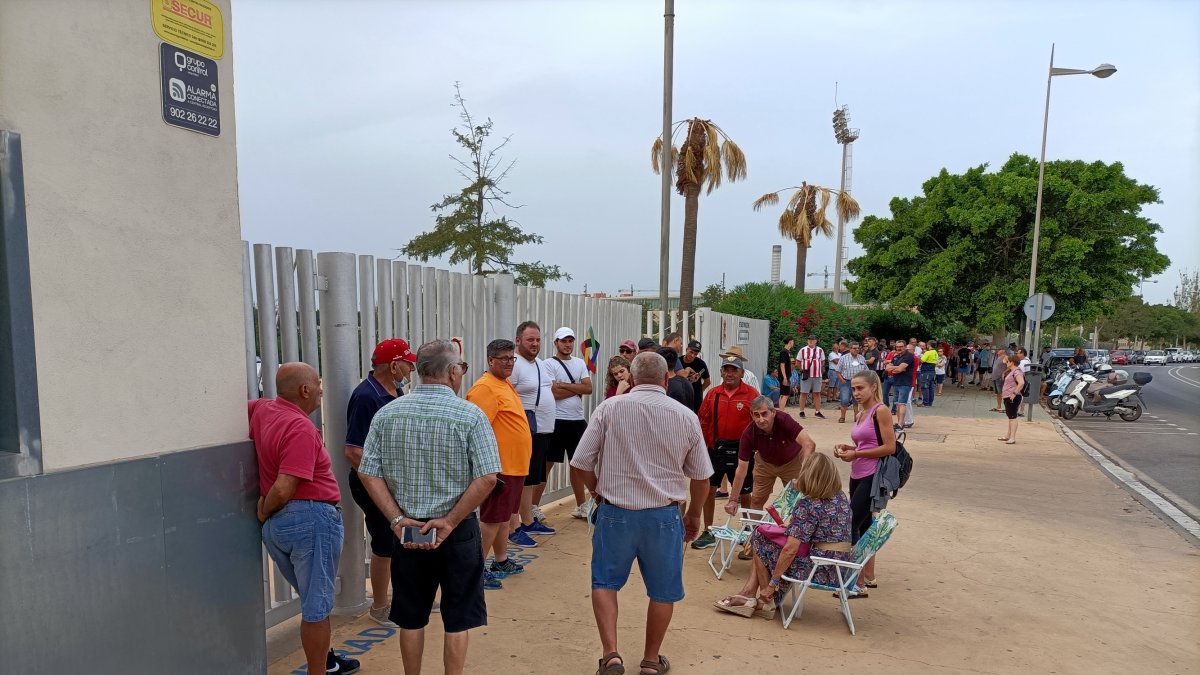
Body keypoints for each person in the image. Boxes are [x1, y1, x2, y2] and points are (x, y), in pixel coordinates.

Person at [357, 340, 501, 675]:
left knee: (411, 617)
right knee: (458, 618)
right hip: (457, 530)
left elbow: (368, 471)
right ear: (452, 371)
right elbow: (487, 478)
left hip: (408, 529)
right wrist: (450, 520)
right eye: (461, 368)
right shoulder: (470, 415)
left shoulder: (387, 413)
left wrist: (395, 517)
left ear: (420, 371)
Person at [570, 352, 712, 675]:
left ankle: (611, 655)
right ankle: (650, 661)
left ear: (630, 380)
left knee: (604, 582)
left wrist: (596, 491)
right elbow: (702, 477)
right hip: (663, 517)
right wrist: (692, 517)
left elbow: (579, 463)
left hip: (615, 513)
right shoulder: (685, 416)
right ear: (667, 380)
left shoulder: (609, 409)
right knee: (663, 590)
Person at [251, 363, 360, 675]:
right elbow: (284, 488)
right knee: (316, 607)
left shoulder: (263, 410)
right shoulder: (300, 428)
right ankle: (319, 670)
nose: (321, 390)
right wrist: (265, 508)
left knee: (315, 598)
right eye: (318, 384)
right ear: (304, 390)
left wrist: (269, 513)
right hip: (310, 521)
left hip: (283, 528)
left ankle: (327, 660)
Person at [713, 452, 854, 618]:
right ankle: (750, 594)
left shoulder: (808, 504)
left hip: (819, 568)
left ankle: (765, 599)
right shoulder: (840, 497)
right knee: (765, 540)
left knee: (759, 537)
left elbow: (790, 550)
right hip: (840, 566)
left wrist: (773, 583)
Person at [345, 338, 417, 628]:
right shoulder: (366, 396)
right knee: (385, 543)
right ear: (393, 365)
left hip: (392, 482)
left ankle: (407, 596)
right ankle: (380, 607)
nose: (411, 369)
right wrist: (379, 482)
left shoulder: (395, 389)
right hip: (372, 485)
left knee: (405, 539)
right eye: (407, 364)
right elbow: (353, 450)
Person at [466, 339, 533, 590]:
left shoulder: (503, 384)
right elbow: (475, 428)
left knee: (504, 517)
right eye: (503, 358)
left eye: (511, 358)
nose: (509, 363)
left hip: (514, 465)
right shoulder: (485, 388)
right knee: (492, 519)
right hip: (500, 467)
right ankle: (476, 569)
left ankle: (501, 560)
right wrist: (486, 467)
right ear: (490, 360)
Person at [832, 370, 897, 590]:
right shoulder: (861, 412)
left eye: (860, 388)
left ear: (873, 387)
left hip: (872, 475)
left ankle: (854, 580)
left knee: (851, 522)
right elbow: (865, 444)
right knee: (865, 524)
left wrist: (857, 454)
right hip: (857, 473)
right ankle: (868, 576)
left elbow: (890, 447)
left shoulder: (881, 411)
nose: (856, 393)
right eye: (853, 388)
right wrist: (849, 449)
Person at [691, 355, 759, 551]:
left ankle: (747, 532)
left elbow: (759, 422)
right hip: (715, 450)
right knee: (709, 490)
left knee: (745, 493)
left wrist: (756, 447)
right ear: (720, 372)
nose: (729, 374)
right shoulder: (713, 394)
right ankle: (709, 530)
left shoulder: (751, 395)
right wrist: (701, 448)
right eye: (726, 369)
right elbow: (702, 421)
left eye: (734, 370)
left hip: (742, 453)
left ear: (742, 373)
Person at [723, 396, 815, 523]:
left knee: (798, 500)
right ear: (752, 415)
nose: (761, 419)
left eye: (764, 414)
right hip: (765, 463)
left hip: (792, 462)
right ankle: (755, 535)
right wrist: (733, 500)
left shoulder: (784, 419)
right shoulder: (749, 434)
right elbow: (741, 469)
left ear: (773, 412)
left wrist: (803, 476)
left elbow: (809, 444)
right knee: (756, 499)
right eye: (756, 415)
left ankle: (798, 535)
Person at [510, 321, 557, 543]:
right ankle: (515, 526)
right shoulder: (515, 364)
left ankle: (527, 520)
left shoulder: (539, 363)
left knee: (531, 479)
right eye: (530, 339)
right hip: (524, 430)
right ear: (518, 340)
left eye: (537, 339)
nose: (535, 344)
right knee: (520, 479)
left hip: (541, 431)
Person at [544, 327, 594, 520]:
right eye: (563, 341)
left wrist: (563, 384)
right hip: (555, 420)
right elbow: (553, 393)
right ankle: (533, 508)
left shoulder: (580, 362)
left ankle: (582, 505)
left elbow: (588, 388)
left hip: (576, 420)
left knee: (579, 464)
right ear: (556, 342)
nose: (567, 344)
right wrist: (577, 387)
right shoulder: (548, 364)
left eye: (570, 341)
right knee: (547, 465)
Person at [883, 340, 914, 433]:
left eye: (901, 346)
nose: (899, 348)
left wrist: (896, 369)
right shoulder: (895, 357)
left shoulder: (909, 356)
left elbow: (899, 369)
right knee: (897, 404)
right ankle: (899, 423)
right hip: (896, 382)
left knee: (902, 403)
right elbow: (887, 368)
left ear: (905, 347)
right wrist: (897, 369)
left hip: (905, 383)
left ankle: (901, 424)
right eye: (897, 347)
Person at [794, 335, 826, 419]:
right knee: (803, 393)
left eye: (812, 340)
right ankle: (801, 411)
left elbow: (823, 361)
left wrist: (818, 368)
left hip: (817, 375)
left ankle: (817, 411)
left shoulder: (820, 350)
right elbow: (798, 361)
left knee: (817, 393)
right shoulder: (803, 350)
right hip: (807, 374)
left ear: (816, 341)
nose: (810, 341)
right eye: (809, 339)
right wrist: (803, 369)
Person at [835, 342, 869, 422]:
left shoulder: (862, 358)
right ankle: (842, 417)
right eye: (854, 348)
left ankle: (856, 418)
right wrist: (842, 380)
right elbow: (837, 371)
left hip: (858, 383)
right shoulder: (843, 358)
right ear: (850, 349)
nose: (856, 350)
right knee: (844, 400)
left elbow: (866, 370)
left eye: (858, 348)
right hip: (846, 381)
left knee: (857, 400)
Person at [1000, 353, 1026, 443]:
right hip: (1008, 396)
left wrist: (1014, 393)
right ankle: (1008, 435)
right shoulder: (1012, 371)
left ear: (1012, 362)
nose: (1006, 363)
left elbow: (1021, 383)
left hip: (1013, 397)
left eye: (1008, 362)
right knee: (1010, 417)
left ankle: (1012, 437)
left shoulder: (1016, 372)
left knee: (1013, 417)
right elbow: (1004, 359)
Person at [680, 339, 710, 413]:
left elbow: (707, 381)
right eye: (691, 352)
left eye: (696, 354)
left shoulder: (701, 364)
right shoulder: (678, 361)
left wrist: (699, 391)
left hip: (695, 399)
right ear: (687, 349)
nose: (693, 355)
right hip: (681, 395)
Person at [918, 340, 938, 407]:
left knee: (925, 387)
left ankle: (925, 402)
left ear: (929, 345)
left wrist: (918, 356)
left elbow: (921, 360)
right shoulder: (935, 352)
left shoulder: (928, 353)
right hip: (932, 371)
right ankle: (930, 402)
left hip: (926, 372)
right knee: (931, 387)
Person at [777, 337, 795, 408]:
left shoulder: (788, 352)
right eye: (793, 341)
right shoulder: (784, 352)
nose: (793, 343)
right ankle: (781, 411)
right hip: (784, 376)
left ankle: (781, 410)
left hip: (787, 376)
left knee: (783, 394)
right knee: (785, 395)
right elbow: (782, 364)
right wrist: (784, 377)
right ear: (790, 342)